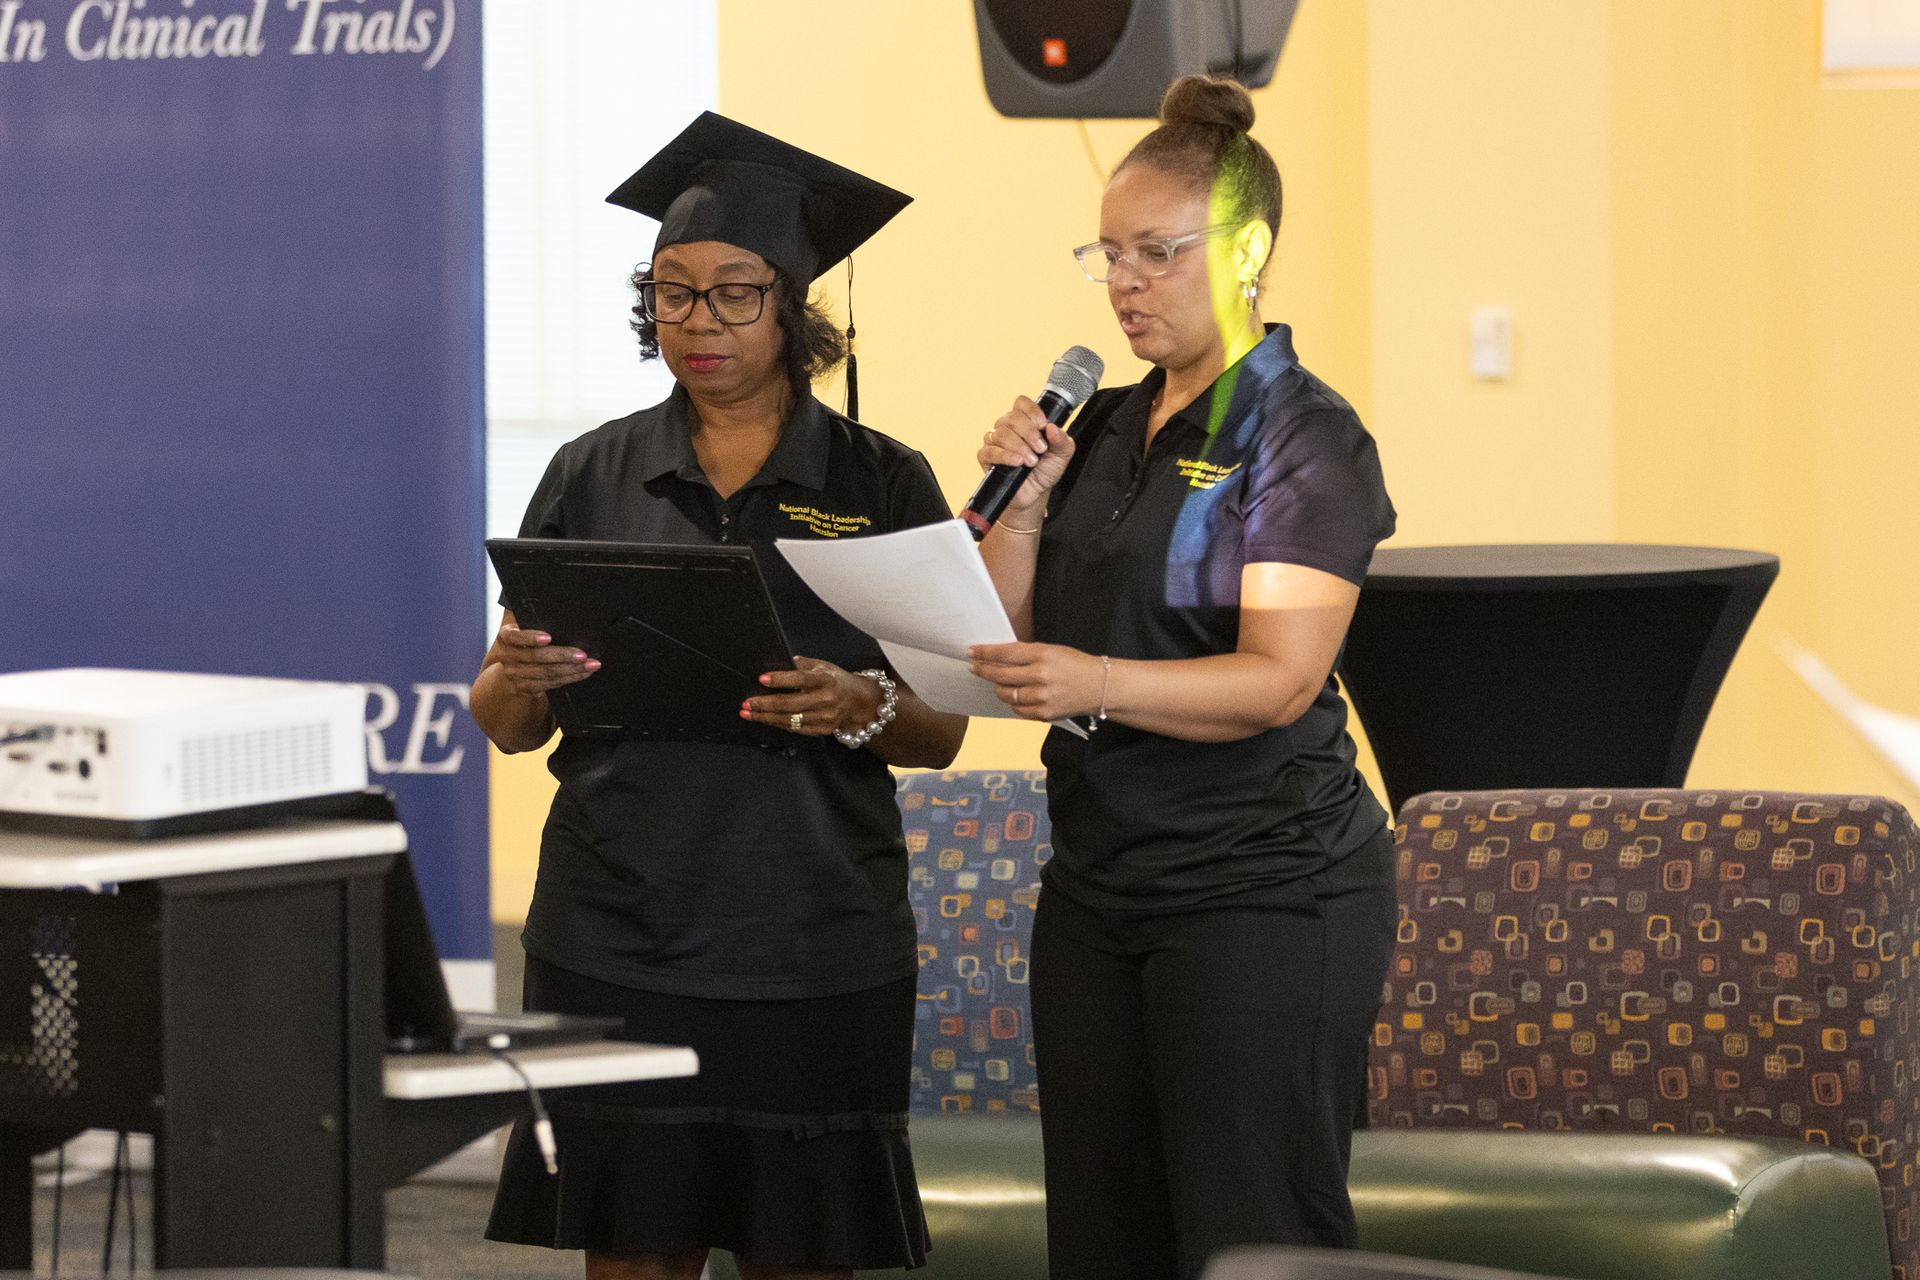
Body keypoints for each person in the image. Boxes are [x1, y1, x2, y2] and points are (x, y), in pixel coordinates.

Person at [474, 112, 966, 1280]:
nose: (698, 322)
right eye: (673, 293)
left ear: (796, 307)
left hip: (814, 939)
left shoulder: (882, 479)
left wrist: (861, 702)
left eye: (736, 293)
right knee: (634, 1251)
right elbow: (506, 722)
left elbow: (942, 732)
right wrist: (514, 675)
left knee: (805, 1252)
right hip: (618, 927)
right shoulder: (593, 469)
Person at [968, 75, 1398, 1280]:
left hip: (1265, 885)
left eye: (1156, 252)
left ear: (1247, 250)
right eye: (1106, 254)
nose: (1123, 283)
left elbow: (1278, 678)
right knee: (1104, 1238)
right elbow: (1008, 629)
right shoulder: (1101, 426)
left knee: (1251, 1234)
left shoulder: (1303, 434)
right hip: (1101, 884)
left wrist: (1096, 678)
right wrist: (1021, 502)